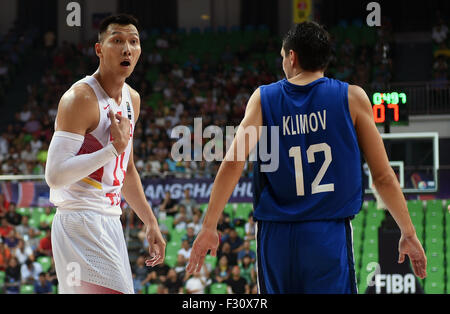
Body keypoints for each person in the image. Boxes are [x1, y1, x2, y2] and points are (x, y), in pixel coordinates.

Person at [187, 21, 427, 293]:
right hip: (327, 234)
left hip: (275, 236)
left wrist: (209, 225)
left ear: (292, 57)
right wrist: (408, 232)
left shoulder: (263, 98)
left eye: (282, 57)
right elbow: (383, 177)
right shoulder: (353, 98)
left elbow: (232, 162)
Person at [44, 14, 166, 294]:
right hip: (79, 221)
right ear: (99, 49)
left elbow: (128, 170)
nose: (127, 49)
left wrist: (150, 222)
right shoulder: (80, 99)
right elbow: (55, 175)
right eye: (118, 40)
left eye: (133, 42)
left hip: (110, 220)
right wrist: (112, 148)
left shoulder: (132, 99)